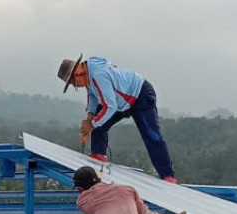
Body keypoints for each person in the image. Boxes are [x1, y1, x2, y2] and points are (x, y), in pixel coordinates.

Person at [58, 55, 178, 183]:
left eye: (73, 83)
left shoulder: (99, 76)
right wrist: (90, 116)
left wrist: (92, 124)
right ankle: (98, 155)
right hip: (120, 101)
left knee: (151, 135)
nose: (76, 86)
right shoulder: (87, 75)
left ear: (77, 73)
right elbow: (92, 95)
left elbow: (110, 107)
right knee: (99, 123)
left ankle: (167, 175)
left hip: (140, 95)